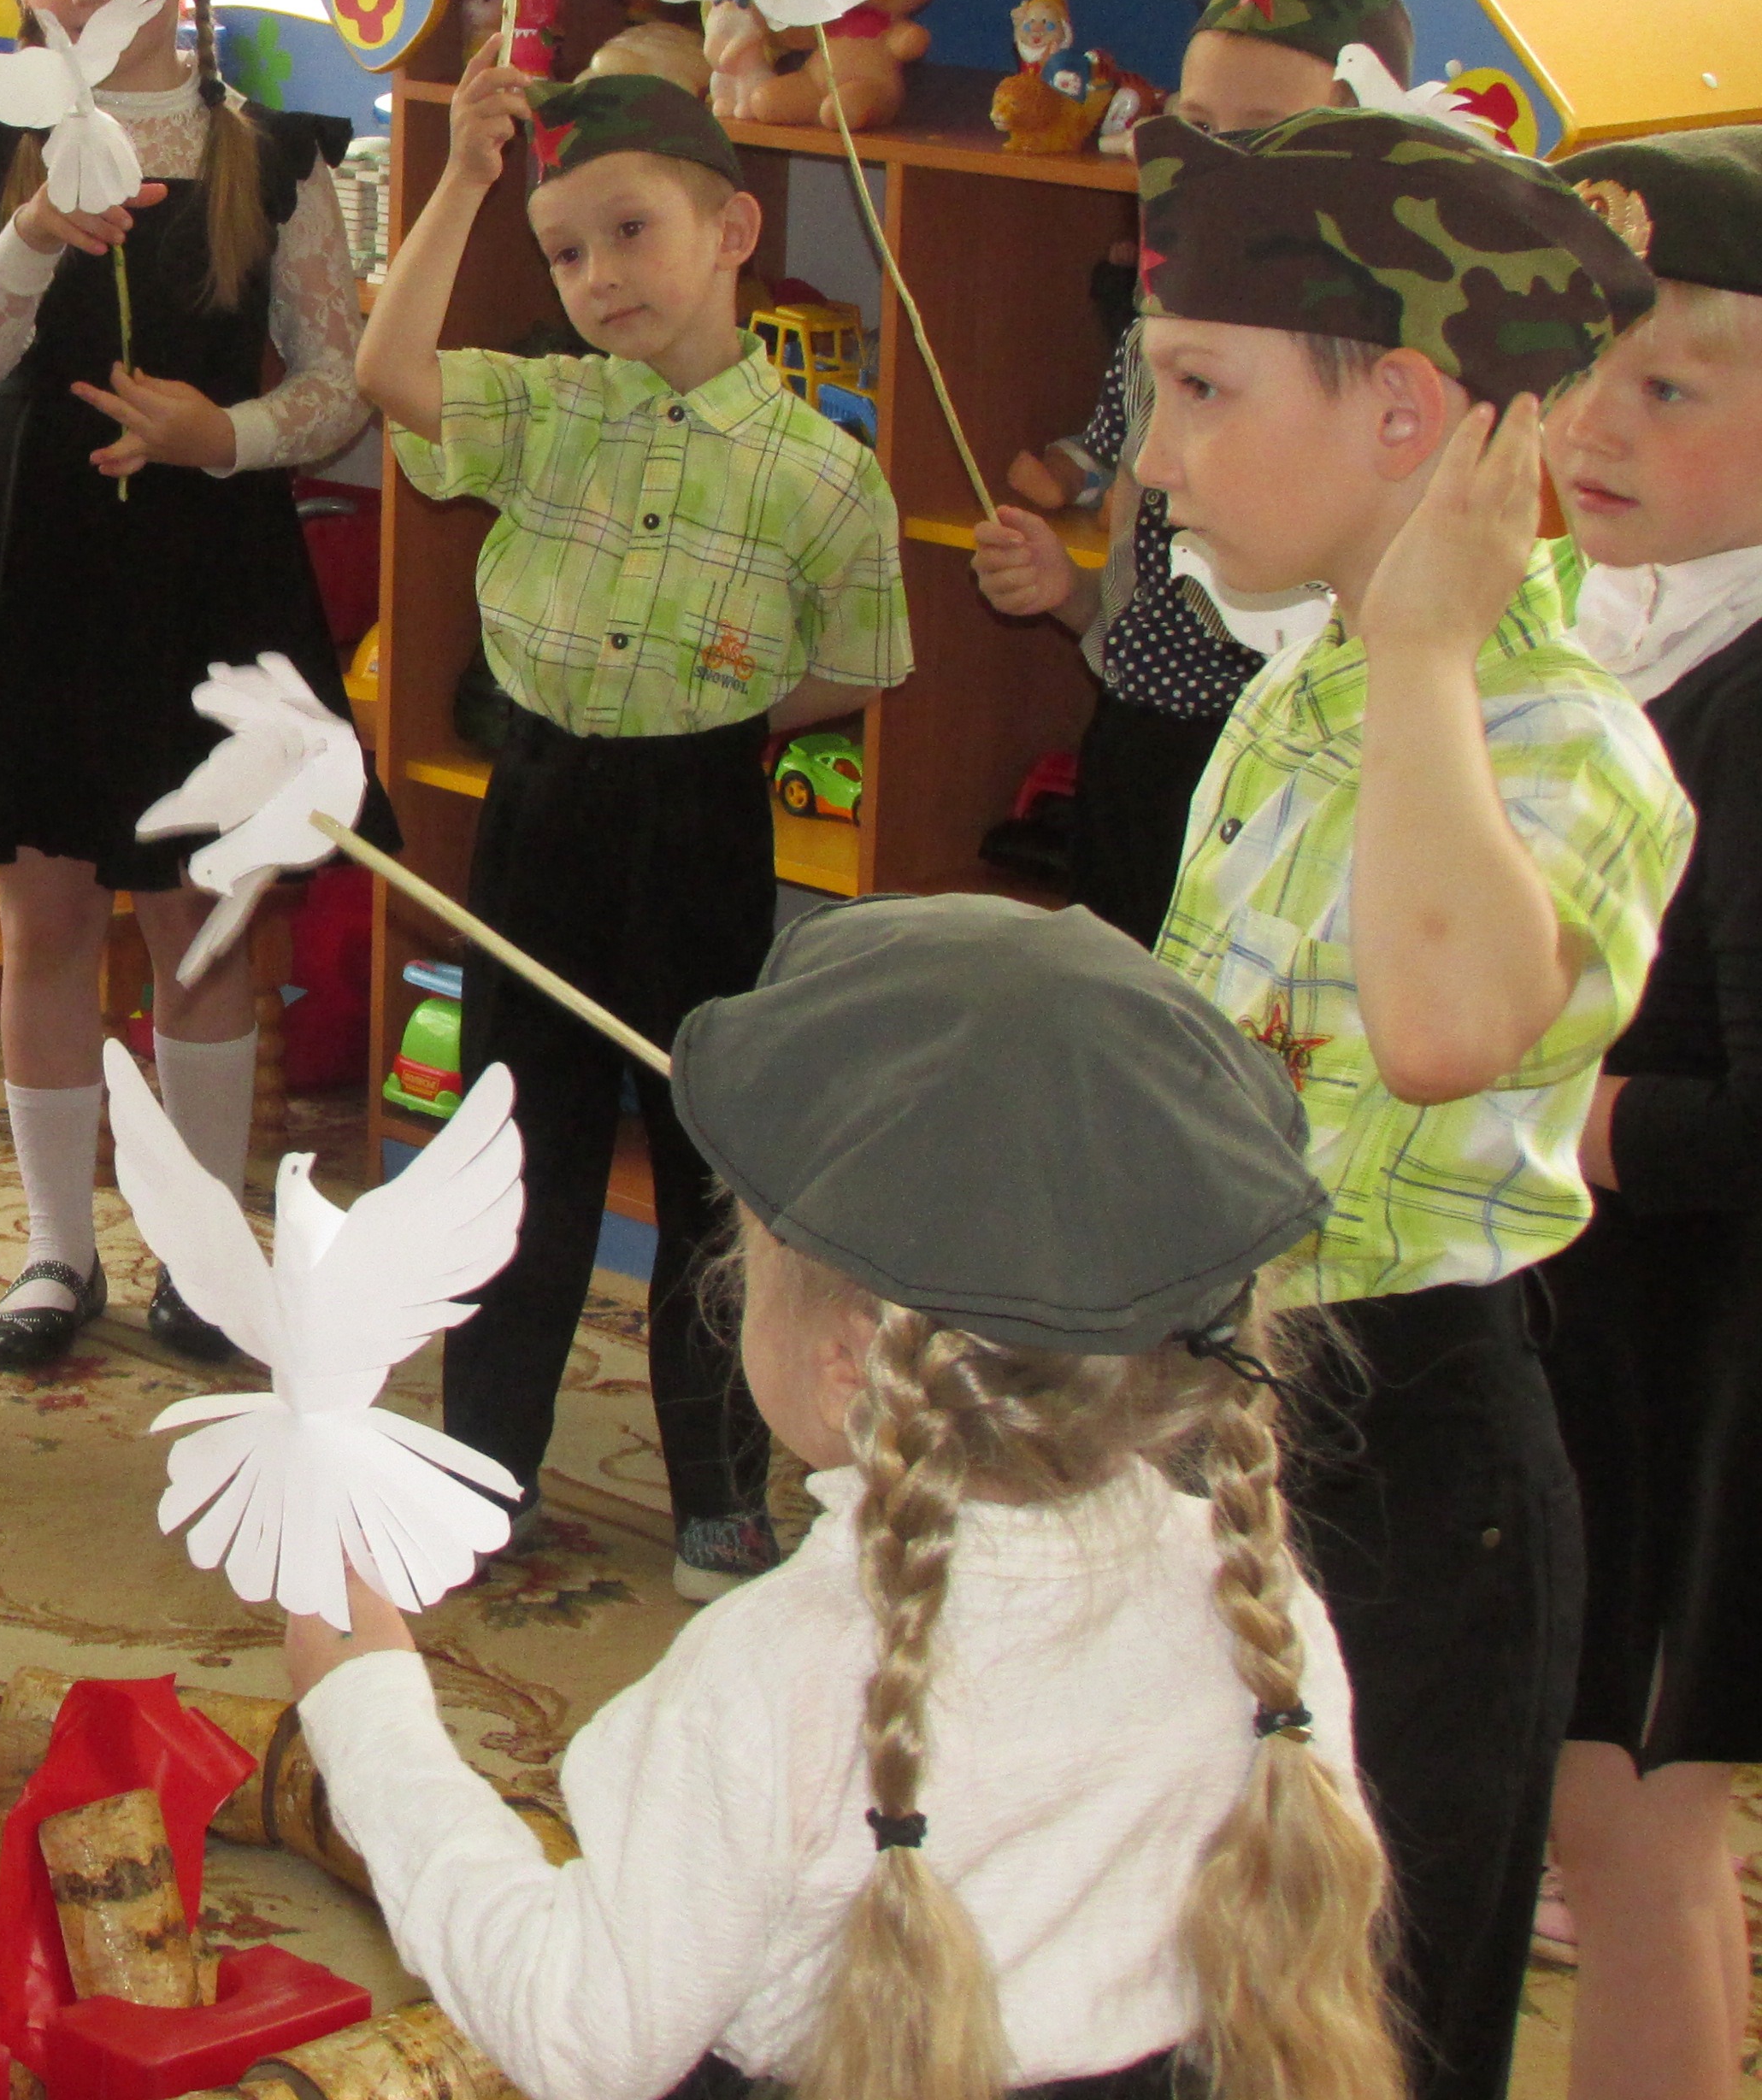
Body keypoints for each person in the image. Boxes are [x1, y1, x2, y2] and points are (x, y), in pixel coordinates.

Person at [287, 891, 1397, 2100]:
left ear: (850, 1360)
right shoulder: (1257, 1599)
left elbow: (581, 2034)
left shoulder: (773, 1678)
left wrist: (370, 1714)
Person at [1129, 105, 1686, 2100]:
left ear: (1404, 414)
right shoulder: (1290, 701)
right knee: (1174, 1976)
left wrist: (1436, 642)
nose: (1156, 457)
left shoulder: (1566, 739)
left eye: (1203, 390)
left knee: (1364, 2021)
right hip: (1201, 1419)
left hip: (1410, 1472)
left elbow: (1446, 1028)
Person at [357, 56, 909, 1596]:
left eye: (629, 231)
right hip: (538, 814)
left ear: (732, 230)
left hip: (699, 821)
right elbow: (392, 373)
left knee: (707, 1168)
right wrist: (461, 180)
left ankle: (717, 1490)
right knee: (508, 1154)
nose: (598, 275)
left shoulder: (823, 472)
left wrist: (714, 715)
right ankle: (488, 1462)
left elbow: (859, 665)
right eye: (564, 251)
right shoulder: (544, 408)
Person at [0, 0, 374, 1374]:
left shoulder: (265, 157)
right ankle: (54, 1248)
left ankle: (203, 1250)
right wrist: (34, 233)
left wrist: (220, 433)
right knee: (48, 919)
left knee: (199, 920)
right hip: (37, 563)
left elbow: (341, 383)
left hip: (203, 572)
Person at [1533, 125, 1762, 2100]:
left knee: (1650, 1835)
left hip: (1706, 1367)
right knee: (1578, 1800)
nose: (1595, 420)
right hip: (1584, 1326)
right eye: (1577, 360)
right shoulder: (1596, 620)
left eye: (1670, 387)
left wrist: (1569, 1116)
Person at [970, 0, 1409, 940]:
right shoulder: (1157, 334)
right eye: (1196, 126)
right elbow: (1143, 592)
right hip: (1139, 753)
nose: (1216, 164)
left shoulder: (1386, 380)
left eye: (1268, 133)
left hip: (1301, 767)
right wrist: (1071, 594)